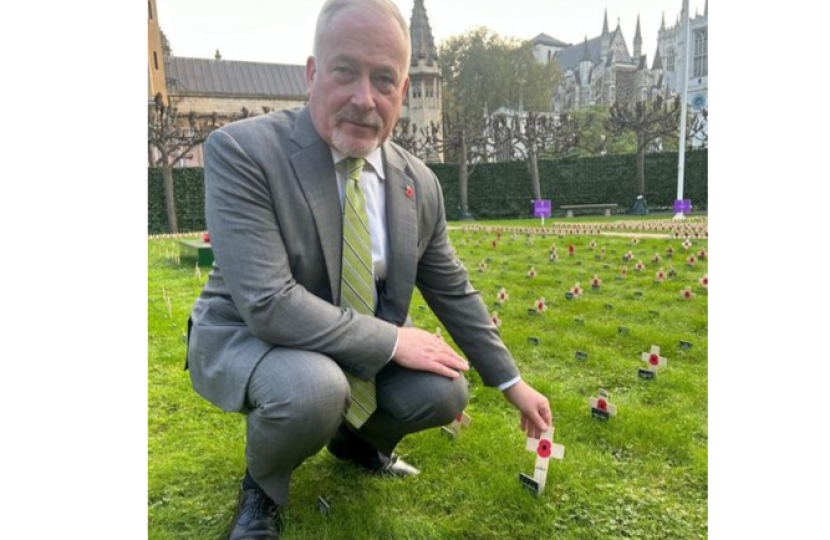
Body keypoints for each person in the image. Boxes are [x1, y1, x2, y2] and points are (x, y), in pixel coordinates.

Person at [186, 1, 552, 538]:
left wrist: (512, 381)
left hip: (350, 339)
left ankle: (358, 443)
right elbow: (267, 302)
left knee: (445, 389)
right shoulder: (243, 151)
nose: (364, 99)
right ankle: (262, 487)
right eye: (344, 72)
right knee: (314, 388)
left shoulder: (419, 182)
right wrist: (393, 341)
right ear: (312, 74)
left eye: (384, 80)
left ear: (403, 91)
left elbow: (452, 288)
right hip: (250, 334)